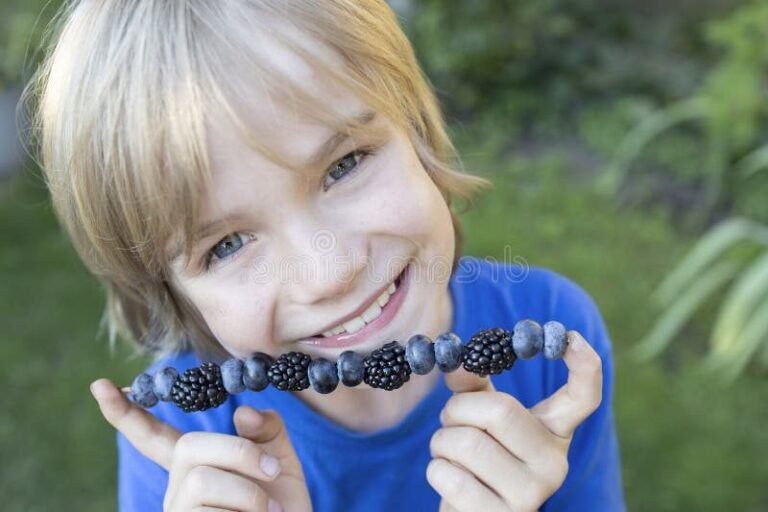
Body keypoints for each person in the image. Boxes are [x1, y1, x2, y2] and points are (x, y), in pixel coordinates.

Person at [26, 0, 626, 510]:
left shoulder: (554, 344)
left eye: (344, 165)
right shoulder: (183, 442)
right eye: (227, 245)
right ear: (172, 295)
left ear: (414, 130)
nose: (330, 273)